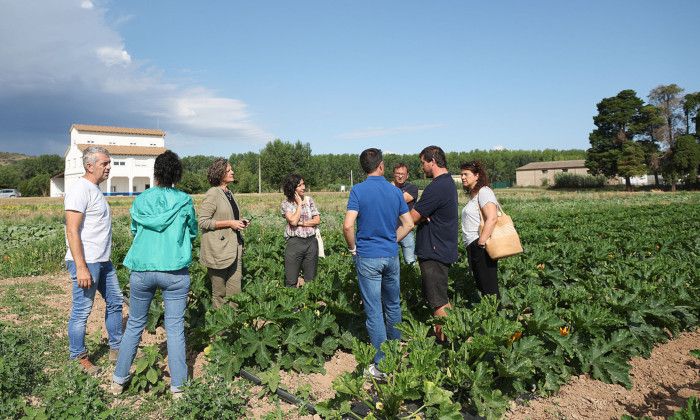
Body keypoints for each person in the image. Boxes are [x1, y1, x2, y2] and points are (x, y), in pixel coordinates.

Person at [111, 150, 197, 397]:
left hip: (143, 268)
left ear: (156, 173)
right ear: (177, 174)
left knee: (135, 324)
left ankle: (119, 380)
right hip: (175, 270)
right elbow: (192, 231)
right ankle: (178, 387)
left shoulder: (141, 200)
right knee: (175, 327)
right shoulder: (184, 201)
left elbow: (134, 229)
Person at [343, 148, 414, 381]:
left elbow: (347, 226)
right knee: (393, 305)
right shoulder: (394, 192)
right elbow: (408, 224)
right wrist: (392, 240)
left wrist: (354, 248)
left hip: (368, 257)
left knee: (374, 310)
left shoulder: (358, 190)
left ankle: (382, 366)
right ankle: (397, 355)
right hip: (391, 255)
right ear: (381, 166)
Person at [64, 146, 123, 374]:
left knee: (116, 302)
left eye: (109, 163)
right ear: (90, 166)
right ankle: (77, 356)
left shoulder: (95, 189)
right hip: (86, 262)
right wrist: (81, 267)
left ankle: (117, 349)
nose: (109, 168)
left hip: (103, 261)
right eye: (104, 164)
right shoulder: (80, 189)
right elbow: (72, 231)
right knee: (82, 310)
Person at [410, 146, 459, 342]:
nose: (422, 167)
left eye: (423, 163)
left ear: (432, 161)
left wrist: (420, 217)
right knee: (441, 299)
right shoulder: (447, 184)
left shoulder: (437, 186)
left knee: (438, 301)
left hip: (434, 250)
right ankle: (452, 336)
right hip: (440, 247)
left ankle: (446, 342)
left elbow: (413, 217)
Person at [199, 158, 248, 308]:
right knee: (219, 294)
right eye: (228, 170)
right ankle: (220, 329)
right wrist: (230, 223)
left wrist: (240, 221)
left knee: (235, 293)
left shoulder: (229, 193)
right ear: (220, 174)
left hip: (234, 248)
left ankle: (232, 327)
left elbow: (229, 216)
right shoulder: (213, 193)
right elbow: (202, 221)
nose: (232, 172)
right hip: (218, 251)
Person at [460, 161, 500, 298]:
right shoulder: (474, 195)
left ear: (477, 175)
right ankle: (491, 314)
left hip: (481, 245)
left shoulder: (484, 192)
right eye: (461, 174)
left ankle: (497, 316)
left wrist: (481, 243)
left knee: (489, 287)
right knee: (482, 285)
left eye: (466, 174)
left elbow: (492, 217)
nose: (463, 177)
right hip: (473, 245)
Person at [281, 174, 321, 287]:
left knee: (310, 279)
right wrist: (299, 204)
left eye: (303, 184)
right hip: (295, 243)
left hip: (311, 242)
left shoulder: (309, 200)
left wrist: (302, 223)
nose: (303, 187)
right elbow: (293, 221)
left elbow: (317, 220)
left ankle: (308, 303)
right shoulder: (286, 204)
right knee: (291, 279)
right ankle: (293, 304)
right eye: (299, 185)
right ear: (292, 188)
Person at [391, 163, 419, 265]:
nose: (400, 176)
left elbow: (401, 200)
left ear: (407, 175)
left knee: (410, 259)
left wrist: (389, 192)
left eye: (403, 174)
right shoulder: (387, 187)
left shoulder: (412, 188)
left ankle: (410, 277)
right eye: (398, 173)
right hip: (389, 228)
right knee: (389, 259)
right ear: (394, 174)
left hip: (405, 228)